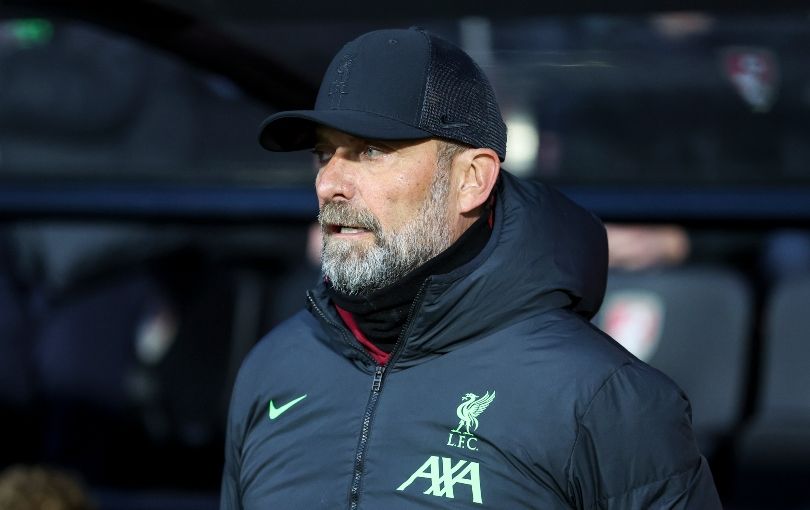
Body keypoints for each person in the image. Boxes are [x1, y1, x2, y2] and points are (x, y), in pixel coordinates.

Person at [221, 27, 721, 509]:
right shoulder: (272, 369)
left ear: (472, 180)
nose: (330, 182)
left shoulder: (603, 399)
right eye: (324, 153)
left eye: (370, 151)